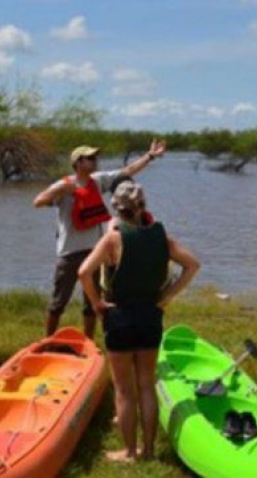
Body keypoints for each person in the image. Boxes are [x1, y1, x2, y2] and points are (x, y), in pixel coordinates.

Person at [78, 181, 200, 462]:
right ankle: (149, 449)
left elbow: (84, 272)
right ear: (143, 207)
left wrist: (97, 303)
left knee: (124, 389)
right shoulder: (161, 236)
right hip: (150, 316)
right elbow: (193, 265)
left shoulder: (113, 238)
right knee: (147, 385)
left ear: (117, 208)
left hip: (119, 317)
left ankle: (131, 452)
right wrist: (166, 296)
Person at [33, 139, 167, 338]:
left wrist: (150, 156)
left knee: (92, 302)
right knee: (58, 302)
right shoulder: (65, 185)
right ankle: (47, 340)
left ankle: (89, 341)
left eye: (95, 157)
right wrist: (60, 191)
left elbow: (127, 171)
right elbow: (38, 201)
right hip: (69, 253)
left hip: (94, 251)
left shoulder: (98, 180)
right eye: (90, 158)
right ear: (78, 163)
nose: (95, 161)